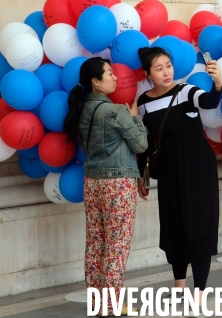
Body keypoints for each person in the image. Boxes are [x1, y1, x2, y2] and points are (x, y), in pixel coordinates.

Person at [137, 47, 222, 314]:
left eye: (168, 65)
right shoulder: (143, 103)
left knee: (199, 225)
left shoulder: (186, 91)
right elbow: (143, 142)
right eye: (159, 68)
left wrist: (218, 82)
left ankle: (199, 292)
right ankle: (179, 286)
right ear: (147, 74)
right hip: (171, 169)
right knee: (174, 224)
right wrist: (142, 174)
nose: (166, 72)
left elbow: (209, 101)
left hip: (198, 166)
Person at [63, 57, 148, 317]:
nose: (115, 78)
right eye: (109, 74)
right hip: (118, 184)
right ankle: (111, 304)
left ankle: (97, 302)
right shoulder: (116, 111)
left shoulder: (81, 111)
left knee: (95, 242)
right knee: (117, 244)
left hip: (93, 182)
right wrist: (135, 118)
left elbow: (89, 147)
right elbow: (141, 145)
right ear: (96, 81)